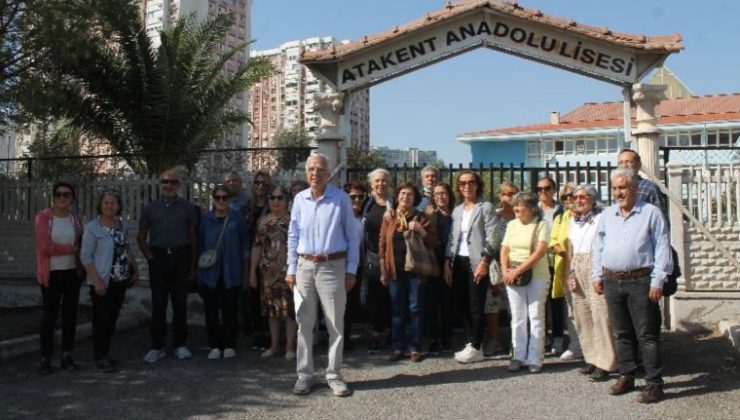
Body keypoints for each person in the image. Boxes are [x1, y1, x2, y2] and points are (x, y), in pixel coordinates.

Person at [592, 168, 672, 404]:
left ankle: (654, 383)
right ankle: (626, 376)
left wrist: (658, 279)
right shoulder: (607, 215)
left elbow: (662, 247)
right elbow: (598, 246)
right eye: (615, 188)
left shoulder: (651, 213)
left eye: (623, 187)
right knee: (622, 333)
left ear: (635, 188)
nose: (618, 192)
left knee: (647, 335)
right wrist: (597, 275)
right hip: (612, 281)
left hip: (641, 281)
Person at [286, 154, 360, 397]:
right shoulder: (299, 199)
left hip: (333, 266)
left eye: (320, 168)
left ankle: (334, 374)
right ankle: (305, 375)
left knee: (335, 325)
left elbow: (353, 237)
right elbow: (293, 235)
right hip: (305, 266)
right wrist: (291, 268)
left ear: (328, 173)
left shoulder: (341, 200)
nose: (315, 173)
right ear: (306, 173)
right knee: (304, 323)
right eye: (310, 169)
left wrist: (351, 270)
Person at [138, 169, 197, 363]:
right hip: (159, 258)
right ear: (159, 184)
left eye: (172, 182)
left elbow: (193, 237)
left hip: (181, 257)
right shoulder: (150, 208)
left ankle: (180, 344)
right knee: (159, 303)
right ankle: (157, 346)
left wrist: (191, 265)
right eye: (165, 182)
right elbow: (141, 236)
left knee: (180, 304)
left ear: (178, 185)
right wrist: (151, 258)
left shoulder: (187, 208)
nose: (168, 185)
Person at [444, 170, 501, 364]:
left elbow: (494, 236)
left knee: (476, 305)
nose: (466, 186)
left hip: (477, 261)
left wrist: (485, 261)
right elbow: (452, 237)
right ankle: (471, 340)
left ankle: (477, 346)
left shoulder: (485, 207)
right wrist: (447, 261)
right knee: (463, 304)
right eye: (462, 183)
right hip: (458, 261)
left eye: (470, 182)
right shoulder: (457, 210)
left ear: (477, 184)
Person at [81, 190, 140, 372]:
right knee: (101, 320)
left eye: (113, 203)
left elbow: (126, 249)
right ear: (100, 205)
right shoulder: (93, 228)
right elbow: (85, 256)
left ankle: (106, 353)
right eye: (106, 203)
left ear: (118, 206)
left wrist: (135, 269)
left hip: (120, 281)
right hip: (102, 282)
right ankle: (99, 357)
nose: (109, 206)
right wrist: (97, 281)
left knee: (112, 319)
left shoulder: (120, 225)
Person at [379, 182, 435, 363]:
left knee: (415, 309)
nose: (405, 197)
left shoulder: (421, 217)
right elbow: (382, 244)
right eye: (402, 194)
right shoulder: (390, 217)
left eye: (410, 195)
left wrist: (421, 231)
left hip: (415, 271)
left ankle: (415, 347)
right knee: (397, 310)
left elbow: (434, 242)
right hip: (395, 270)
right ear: (397, 196)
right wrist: (383, 270)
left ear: (415, 199)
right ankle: (397, 347)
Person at [566, 184, 616, 381]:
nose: (578, 200)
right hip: (577, 265)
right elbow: (571, 247)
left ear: (593, 199)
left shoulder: (601, 218)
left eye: (583, 197)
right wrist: (570, 272)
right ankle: (592, 358)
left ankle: (606, 362)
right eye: (575, 197)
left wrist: (600, 273)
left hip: (595, 265)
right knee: (582, 314)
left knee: (600, 315)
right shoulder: (573, 220)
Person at [34, 182, 84, 375]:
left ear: (72, 198)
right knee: (49, 316)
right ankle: (45, 358)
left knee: (70, 315)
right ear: (53, 197)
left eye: (67, 195)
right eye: (59, 194)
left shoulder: (76, 219)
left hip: (72, 273)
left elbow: (82, 242)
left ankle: (66, 355)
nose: (62, 198)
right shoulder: (43, 217)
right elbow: (45, 247)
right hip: (52, 273)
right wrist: (70, 249)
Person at [197, 185, 250, 360]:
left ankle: (229, 344)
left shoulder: (237, 219)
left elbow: (245, 248)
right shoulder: (205, 220)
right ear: (213, 199)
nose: (221, 200)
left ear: (229, 199)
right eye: (217, 197)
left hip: (232, 272)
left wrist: (246, 273)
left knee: (231, 310)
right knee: (211, 310)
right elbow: (199, 245)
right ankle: (214, 344)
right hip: (210, 274)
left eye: (224, 197)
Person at [501, 192, 549, 373]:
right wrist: (506, 270)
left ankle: (535, 358)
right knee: (518, 318)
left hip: (536, 275)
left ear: (530, 208)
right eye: (515, 205)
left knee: (535, 316)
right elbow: (504, 249)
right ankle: (518, 356)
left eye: (519, 205)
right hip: (513, 276)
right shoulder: (512, 224)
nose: (515, 208)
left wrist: (516, 271)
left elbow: (540, 252)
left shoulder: (541, 225)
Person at [250, 185, 296, 360]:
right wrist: (252, 272)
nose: (276, 201)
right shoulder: (263, 222)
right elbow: (256, 246)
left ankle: (290, 347)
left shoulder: (293, 221)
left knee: (290, 310)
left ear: (286, 200)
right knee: (272, 311)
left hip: (289, 272)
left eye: (280, 197)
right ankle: (274, 345)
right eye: (272, 197)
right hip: (268, 274)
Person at [483, 181, 520, 356]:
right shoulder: (494, 217)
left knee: (516, 306)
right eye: (506, 193)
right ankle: (495, 340)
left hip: (516, 267)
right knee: (493, 305)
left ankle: (516, 342)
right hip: (496, 266)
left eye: (513, 193)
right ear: (500, 196)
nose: (510, 197)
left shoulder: (521, 217)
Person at [548, 183, 583, 361]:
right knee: (571, 308)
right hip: (565, 267)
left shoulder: (586, 216)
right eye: (564, 197)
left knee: (587, 308)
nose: (568, 199)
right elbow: (552, 240)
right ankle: (576, 345)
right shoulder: (560, 218)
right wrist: (563, 251)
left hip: (584, 266)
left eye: (571, 195)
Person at [362, 168, 393, 354]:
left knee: (391, 296)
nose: (380, 184)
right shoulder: (367, 204)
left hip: (392, 256)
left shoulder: (394, 203)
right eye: (377, 181)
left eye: (383, 181)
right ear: (371, 184)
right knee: (374, 296)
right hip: (372, 255)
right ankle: (375, 333)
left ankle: (390, 331)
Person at [424, 183, 455, 354]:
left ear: (449, 195)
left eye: (443, 193)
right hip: (432, 262)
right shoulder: (430, 215)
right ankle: (433, 338)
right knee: (431, 302)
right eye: (436, 194)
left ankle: (447, 337)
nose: (440, 197)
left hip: (450, 261)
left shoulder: (456, 215)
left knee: (447, 302)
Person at [536, 176, 566, 355]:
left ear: (554, 190)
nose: (542, 192)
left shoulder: (560, 211)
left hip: (556, 260)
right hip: (538, 262)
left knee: (556, 301)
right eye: (539, 189)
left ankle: (558, 338)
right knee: (540, 302)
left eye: (546, 188)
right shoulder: (534, 210)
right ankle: (542, 337)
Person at [244, 170, 273, 350]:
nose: (260, 186)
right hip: (251, 254)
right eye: (257, 183)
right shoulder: (248, 207)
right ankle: (257, 332)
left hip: (270, 256)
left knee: (268, 296)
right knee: (254, 295)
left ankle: (269, 333)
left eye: (264, 183)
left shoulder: (273, 205)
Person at [343, 181, 367, 351]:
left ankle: (347, 337)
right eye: (353, 196)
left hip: (359, 265)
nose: (357, 200)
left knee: (352, 303)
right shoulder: (340, 217)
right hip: (341, 265)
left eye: (360, 196)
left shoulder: (364, 217)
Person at [617, 149, 667, 218]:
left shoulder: (649, 188)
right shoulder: (616, 189)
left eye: (629, 162)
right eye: (621, 162)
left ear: (638, 165)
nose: (624, 166)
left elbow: (661, 220)